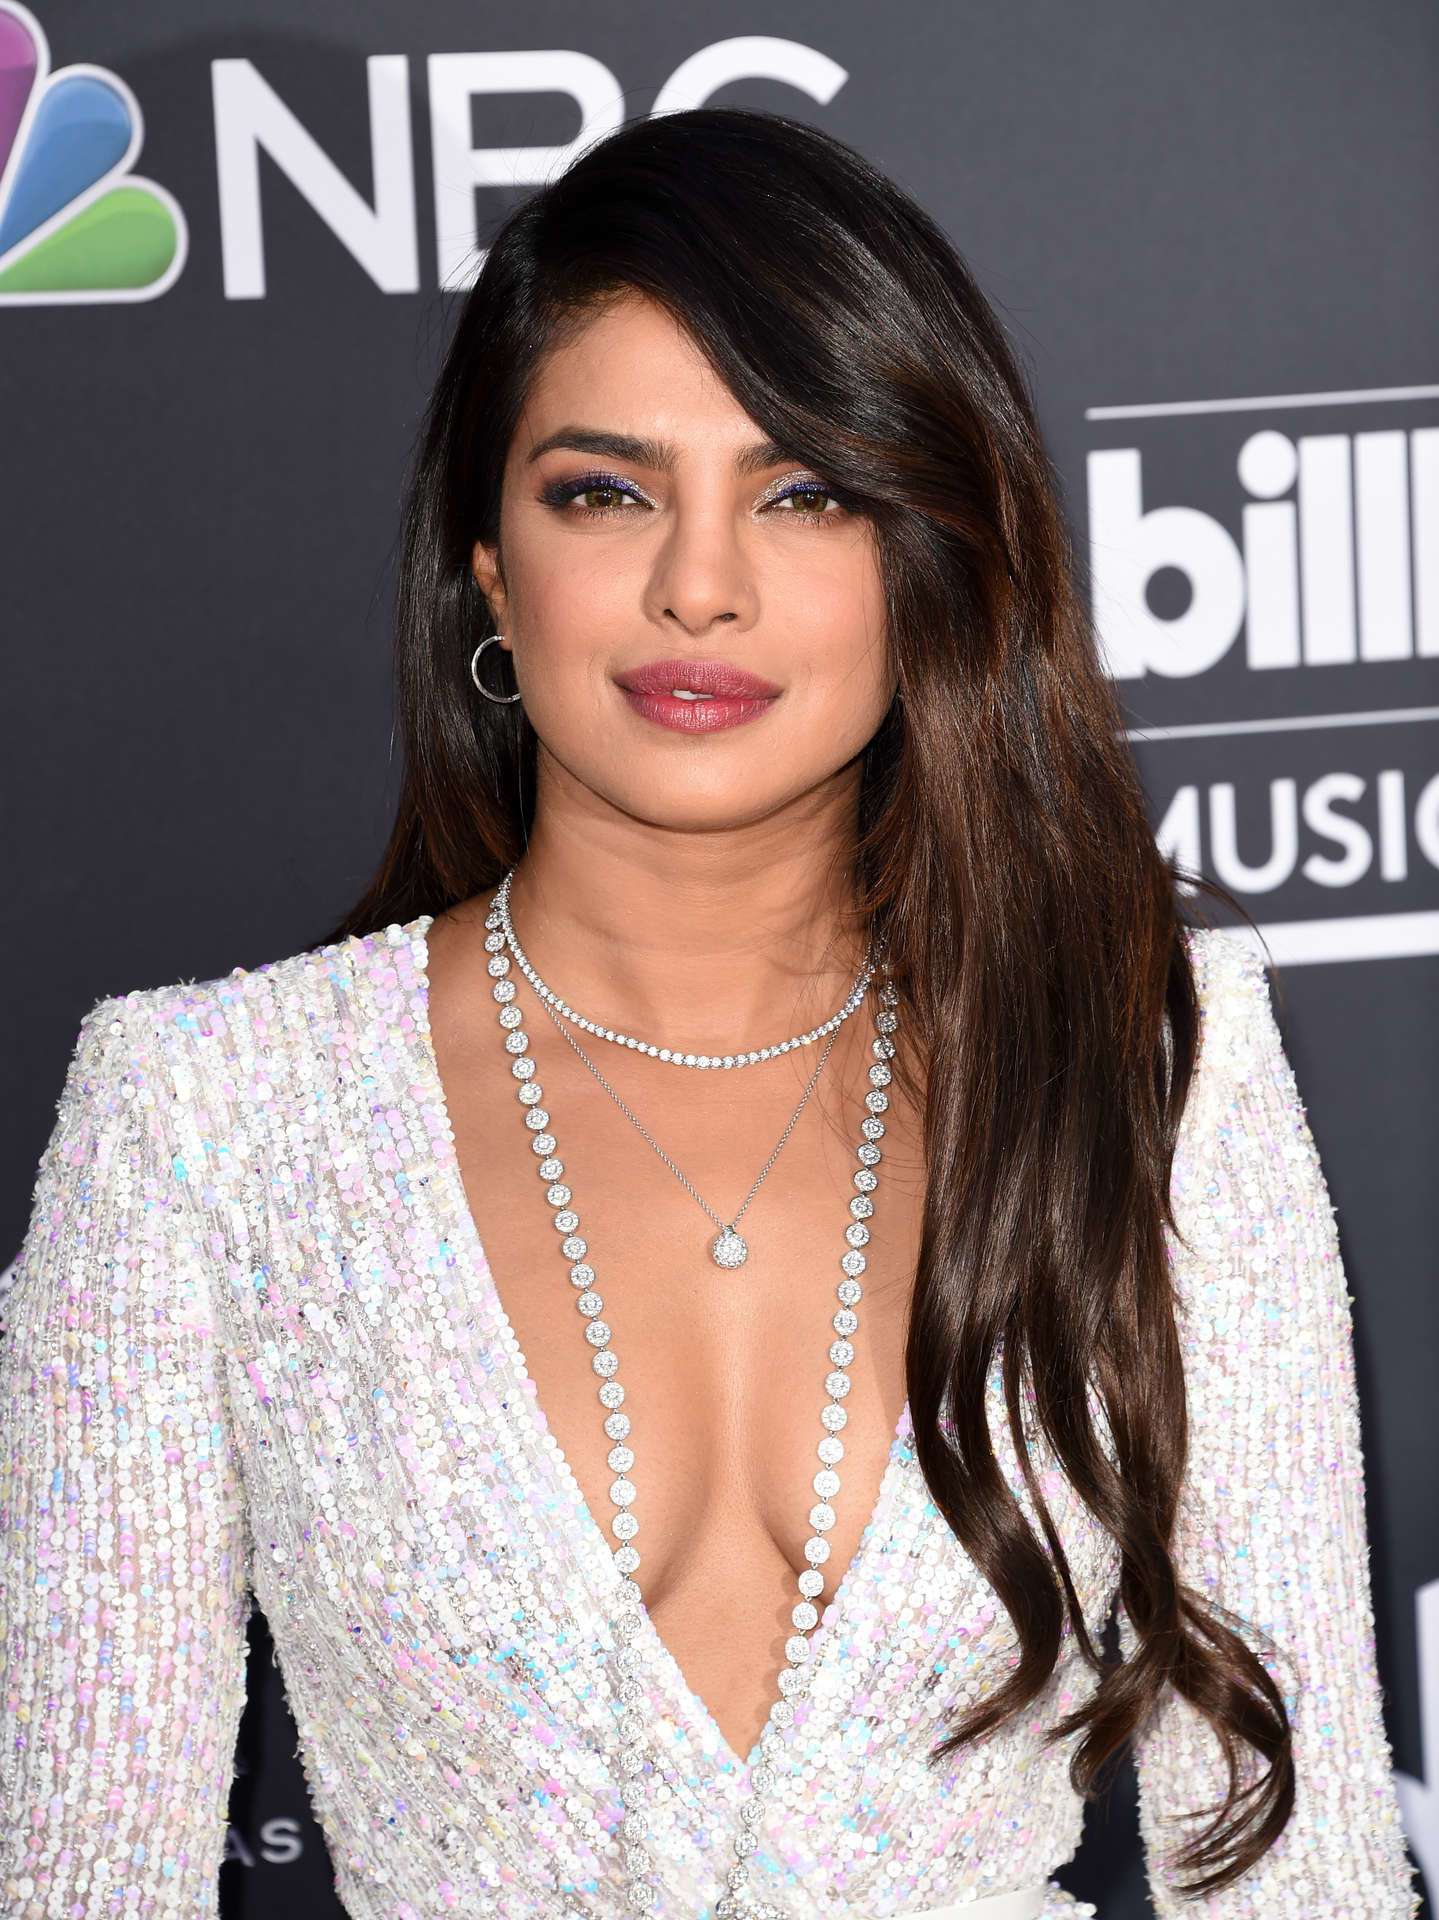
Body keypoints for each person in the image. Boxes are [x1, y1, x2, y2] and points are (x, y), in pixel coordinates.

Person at [0, 106, 1420, 1920]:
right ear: (489, 565)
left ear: (926, 554)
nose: (700, 583)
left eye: (804, 490)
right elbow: (85, 1879)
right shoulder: (204, 1121)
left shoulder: (1147, 1064)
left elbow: (1297, 1869)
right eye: (606, 490)